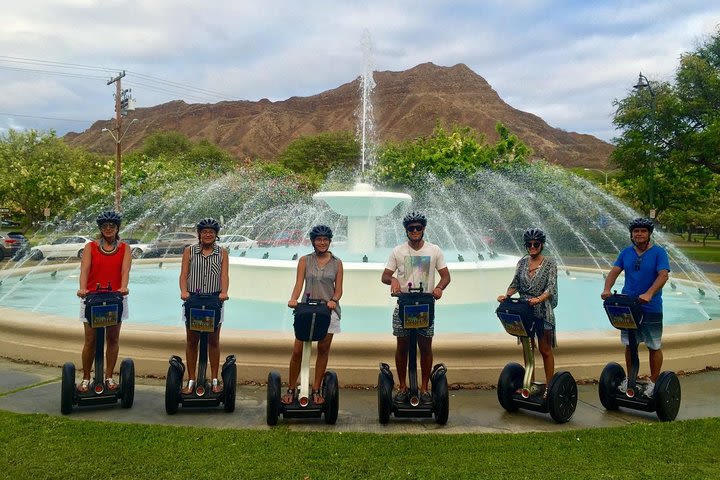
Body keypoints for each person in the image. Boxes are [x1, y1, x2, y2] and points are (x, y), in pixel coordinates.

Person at [381, 211, 450, 404]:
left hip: (425, 305)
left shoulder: (434, 250)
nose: (415, 231)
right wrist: (393, 279)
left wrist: (439, 288)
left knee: (425, 347)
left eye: (418, 228)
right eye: (411, 228)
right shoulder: (398, 251)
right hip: (404, 304)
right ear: (406, 230)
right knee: (402, 346)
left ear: (423, 229)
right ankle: (402, 387)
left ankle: (425, 388)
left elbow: (446, 276)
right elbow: (385, 276)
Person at [601, 217, 669, 397]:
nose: (639, 234)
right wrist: (607, 289)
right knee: (630, 344)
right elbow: (614, 271)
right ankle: (631, 379)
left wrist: (649, 294)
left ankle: (654, 382)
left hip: (650, 307)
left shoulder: (659, 253)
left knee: (653, 345)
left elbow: (663, 276)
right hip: (628, 307)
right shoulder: (625, 253)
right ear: (632, 234)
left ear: (649, 234)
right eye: (636, 231)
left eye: (643, 231)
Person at [283, 225, 344, 405]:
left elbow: (339, 290)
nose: (322, 242)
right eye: (319, 239)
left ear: (329, 241)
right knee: (297, 351)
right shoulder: (304, 260)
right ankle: (292, 388)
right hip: (306, 309)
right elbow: (298, 285)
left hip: (328, 310)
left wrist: (333, 300)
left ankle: (316, 388)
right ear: (313, 241)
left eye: (325, 239)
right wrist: (293, 299)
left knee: (323, 350)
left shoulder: (337, 262)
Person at [497, 228, 558, 397]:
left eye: (535, 244)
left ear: (542, 245)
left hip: (542, 311)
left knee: (545, 349)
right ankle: (529, 384)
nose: (532, 247)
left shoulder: (550, 263)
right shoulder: (522, 263)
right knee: (527, 348)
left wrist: (539, 299)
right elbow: (515, 282)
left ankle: (550, 387)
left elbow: (551, 287)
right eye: (529, 244)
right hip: (525, 311)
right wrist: (507, 295)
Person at [76, 211, 132, 392]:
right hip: (91, 297)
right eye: (105, 226)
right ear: (101, 229)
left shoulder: (124, 248)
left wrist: (123, 287)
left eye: (112, 226)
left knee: (113, 338)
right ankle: (85, 377)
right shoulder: (90, 247)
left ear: (117, 229)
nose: (108, 229)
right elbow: (84, 270)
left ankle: (108, 376)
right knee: (90, 339)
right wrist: (82, 289)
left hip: (115, 297)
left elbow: (125, 271)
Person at [179, 218, 229, 394]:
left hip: (214, 300)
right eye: (204, 231)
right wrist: (184, 292)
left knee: (213, 340)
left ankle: (215, 379)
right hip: (194, 299)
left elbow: (224, 276)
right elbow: (184, 274)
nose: (208, 234)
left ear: (216, 235)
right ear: (199, 234)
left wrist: (224, 293)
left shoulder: (222, 253)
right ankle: (191, 379)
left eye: (211, 232)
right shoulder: (189, 251)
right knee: (192, 340)